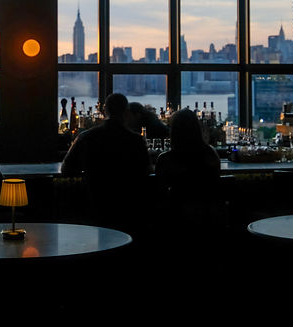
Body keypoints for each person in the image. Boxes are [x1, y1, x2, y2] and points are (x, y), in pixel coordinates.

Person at [61, 93, 152, 230]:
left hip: (96, 206)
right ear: (126, 113)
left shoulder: (86, 137)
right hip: (129, 209)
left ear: (104, 111)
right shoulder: (136, 140)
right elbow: (146, 171)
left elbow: (66, 169)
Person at [155, 108, 222, 228]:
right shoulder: (211, 154)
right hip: (209, 219)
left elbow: (160, 192)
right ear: (197, 129)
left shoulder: (165, 159)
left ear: (173, 131)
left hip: (175, 218)